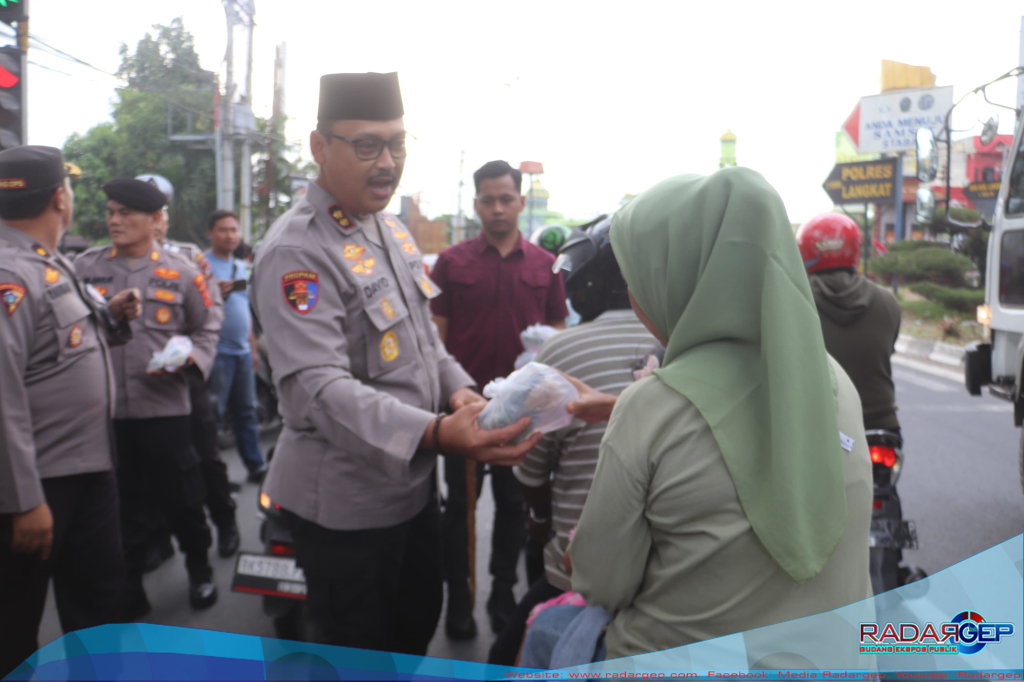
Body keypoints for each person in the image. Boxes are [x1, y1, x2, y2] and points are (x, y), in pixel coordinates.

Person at [521, 168, 873, 666]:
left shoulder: (654, 407)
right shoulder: (832, 380)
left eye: (639, 272)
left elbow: (600, 582)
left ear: (683, 277)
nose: (636, 292)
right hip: (842, 662)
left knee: (545, 629)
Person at [250, 72, 542, 656]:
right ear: (319, 147)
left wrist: (459, 393)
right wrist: (435, 431)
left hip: (409, 494)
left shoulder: (391, 230)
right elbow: (316, 389)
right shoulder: (298, 250)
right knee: (354, 652)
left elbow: (423, 344)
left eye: (397, 144)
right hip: (343, 512)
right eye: (366, 145)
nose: (387, 162)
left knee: (411, 632)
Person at [487, 215, 661, 665]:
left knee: (501, 658)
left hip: (582, 572)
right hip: (672, 570)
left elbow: (532, 463)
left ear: (588, 281)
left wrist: (540, 520)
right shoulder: (679, 339)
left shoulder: (561, 350)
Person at [0, 147, 141, 679]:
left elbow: (60, 340)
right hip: (40, 486)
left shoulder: (48, 260)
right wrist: (24, 499)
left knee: (100, 604)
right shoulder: (9, 271)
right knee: (14, 622)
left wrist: (110, 316)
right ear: (61, 196)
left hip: (87, 469)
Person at [429, 160, 569, 638]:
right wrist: (447, 399)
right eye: (488, 199)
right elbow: (437, 339)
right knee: (457, 509)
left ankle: (501, 591)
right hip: (463, 408)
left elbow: (557, 337)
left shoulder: (545, 266)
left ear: (521, 202)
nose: (497, 208)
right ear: (476, 205)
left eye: (506, 199)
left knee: (514, 506)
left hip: (521, 413)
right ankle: (458, 601)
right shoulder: (452, 262)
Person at [74, 177, 221, 617]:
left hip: (166, 409)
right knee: (123, 508)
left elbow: (207, 327)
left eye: (126, 213)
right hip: (109, 412)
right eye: (111, 212)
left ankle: (200, 569)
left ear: (155, 220)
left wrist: (190, 357)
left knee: (184, 500)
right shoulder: (86, 268)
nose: (114, 221)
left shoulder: (183, 271)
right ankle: (131, 586)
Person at [139, 175, 240, 563]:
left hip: (186, 377)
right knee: (149, 467)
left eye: (157, 211)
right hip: (139, 383)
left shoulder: (189, 256)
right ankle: (157, 538)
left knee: (205, 455)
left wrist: (192, 358)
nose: (154, 220)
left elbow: (212, 310)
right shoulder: (112, 260)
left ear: (164, 216)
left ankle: (225, 522)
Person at [796, 212, 902, 433]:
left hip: (818, 423)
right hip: (880, 422)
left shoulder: (792, 301)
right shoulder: (888, 302)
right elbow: (887, 349)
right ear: (855, 248)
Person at [205, 209, 267, 483]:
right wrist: (212, 295)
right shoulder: (202, 266)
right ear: (211, 233)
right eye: (223, 230)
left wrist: (252, 350)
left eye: (233, 230)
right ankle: (215, 478)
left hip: (242, 353)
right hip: (217, 353)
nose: (230, 235)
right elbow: (193, 308)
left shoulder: (241, 266)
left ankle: (256, 467)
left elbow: (245, 311)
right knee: (213, 419)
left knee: (247, 413)